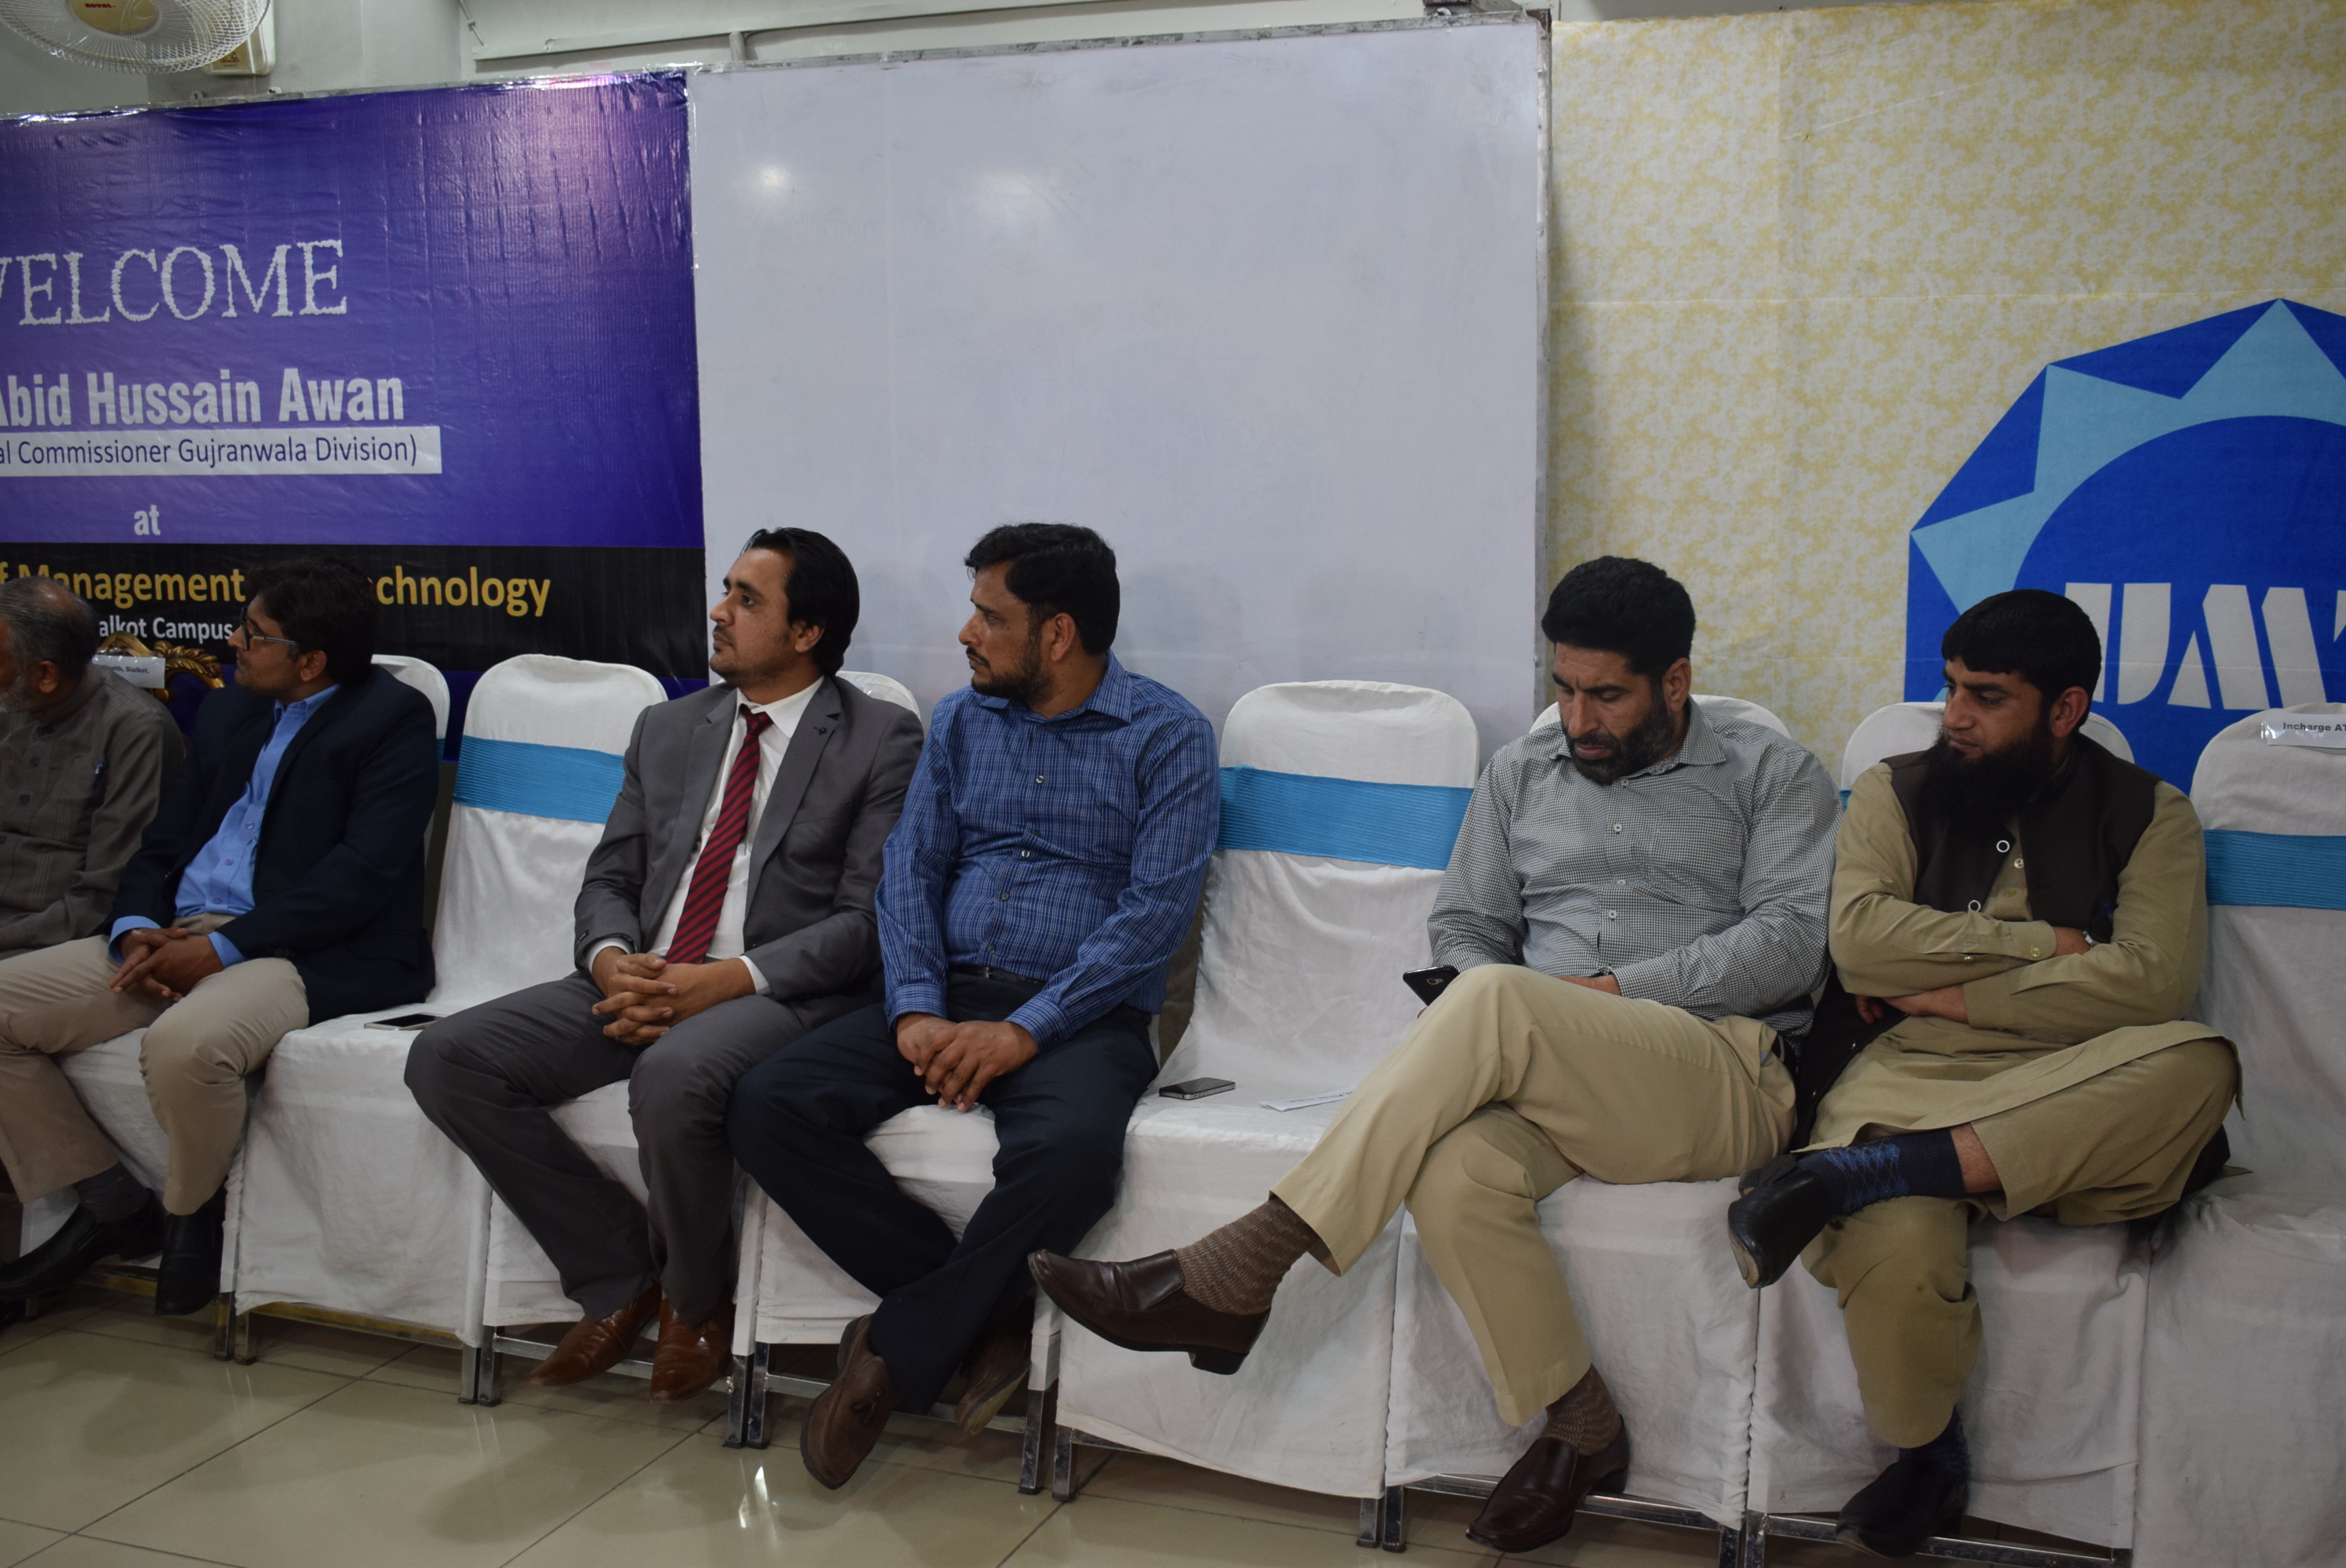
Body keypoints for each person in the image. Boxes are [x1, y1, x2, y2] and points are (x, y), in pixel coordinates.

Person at [1033, 557, 1839, 1554]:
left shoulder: (1772, 774)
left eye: (1606, 696)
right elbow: (1464, 925)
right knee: (1453, 1171)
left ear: (1675, 681)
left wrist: (1599, 995)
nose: (1577, 719)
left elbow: (1789, 943)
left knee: (1501, 997)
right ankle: (1581, 1424)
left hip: (1720, 1072)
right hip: (1550, 1075)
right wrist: (1498, 993)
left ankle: (1245, 1263)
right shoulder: (1519, 774)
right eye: (1563, 688)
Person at [1722, 589, 2236, 1558]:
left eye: (1987, 696)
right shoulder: (1893, 790)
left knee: (2198, 1060)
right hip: (1910, 1072)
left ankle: (1884, 1166)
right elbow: (1862, 944)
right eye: (1952, 687)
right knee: (1895, 1222)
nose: (1954, 714)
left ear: (2065, 708)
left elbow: (2152, 983)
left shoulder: (2152, 813)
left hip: (2073, 1077)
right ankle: (1927, 1455)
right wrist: (2052, 944)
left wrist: (1950, 994)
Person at [727, 523, 1218, 1490]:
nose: (966, 633)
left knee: (1073, 1156)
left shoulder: (1169, 736)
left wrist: (1026, 1028)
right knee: (766, 1104)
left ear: (1057, 633)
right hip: (943, 991)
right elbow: (910, 870)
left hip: (1080, 1016)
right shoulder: (961, 721)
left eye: (990, 616)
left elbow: (1151, 918)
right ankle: (979, 1314)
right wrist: (915, 1008)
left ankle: (895, 1348)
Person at [405, 530, 924, 1402]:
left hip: (780, 989)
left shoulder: (880, 737)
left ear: (807, 632)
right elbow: (610, 876)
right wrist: (612, 960)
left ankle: (695, 1299)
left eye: (748, 599)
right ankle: (616, 1271)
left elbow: (867, 922)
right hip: (646, 972)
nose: (719, 611)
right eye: (726, 590)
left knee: (674, 1073)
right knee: (447, 1057)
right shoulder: (670, 726)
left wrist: (722, 981)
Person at [0, 558, 439, 1317]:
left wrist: (219, 950)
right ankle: (110, 1204)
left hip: (300, 946)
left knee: (185, 1045)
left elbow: (362, 874)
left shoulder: (391, 719)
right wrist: (136, 927)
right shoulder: (232, 709)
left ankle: (192, 1210)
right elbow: (165, 840)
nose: (233, 641)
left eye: (254, 633)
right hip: (175, 932)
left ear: (310, 661)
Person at [0, 578, 184, 963]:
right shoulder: (10, 701)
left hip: (48, 938)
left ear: (45, 675)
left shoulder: (135, 730)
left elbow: (103, 897)